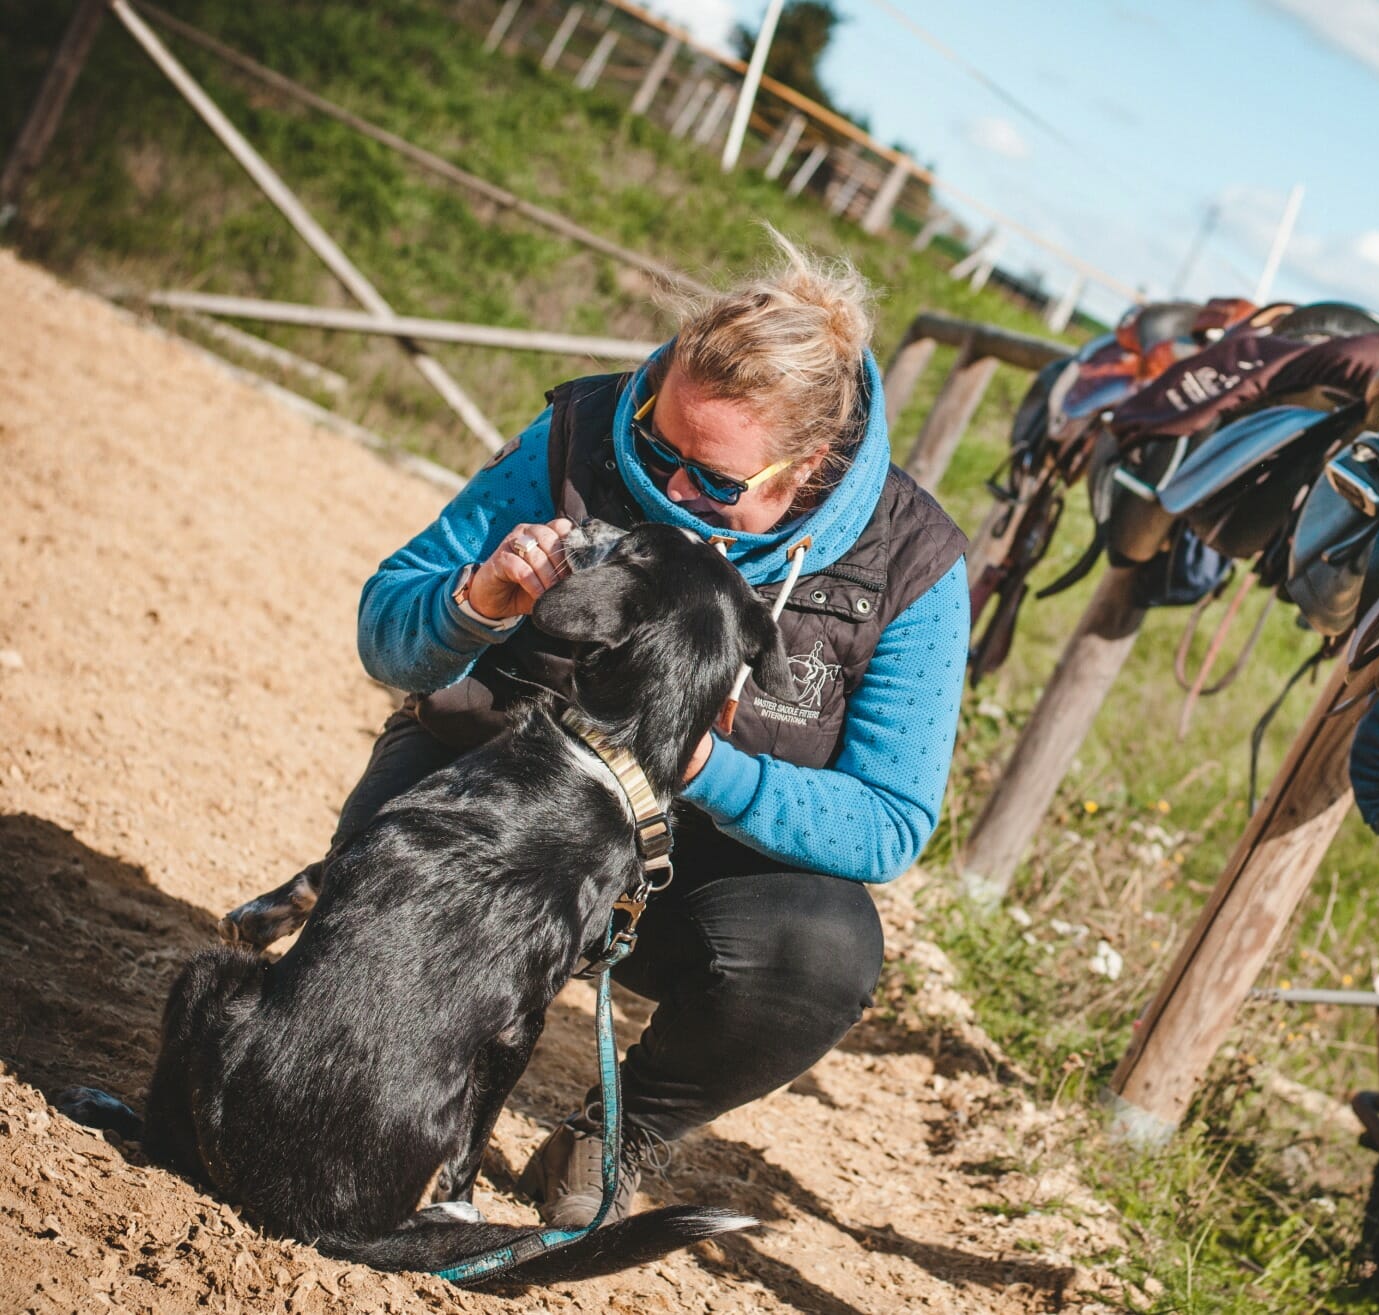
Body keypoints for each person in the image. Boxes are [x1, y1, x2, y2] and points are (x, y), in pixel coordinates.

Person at [266, 232, 969, 1226]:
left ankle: (618, 1130)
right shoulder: (579, 433)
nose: (671, 488)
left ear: (804, 467)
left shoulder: (913, 562)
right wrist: (479, 598)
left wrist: (695, 767)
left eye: (714, 480)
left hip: (692, 870)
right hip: (497, 800)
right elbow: (387, 631)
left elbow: (891, 819)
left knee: (825, 951)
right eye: (656, 440)